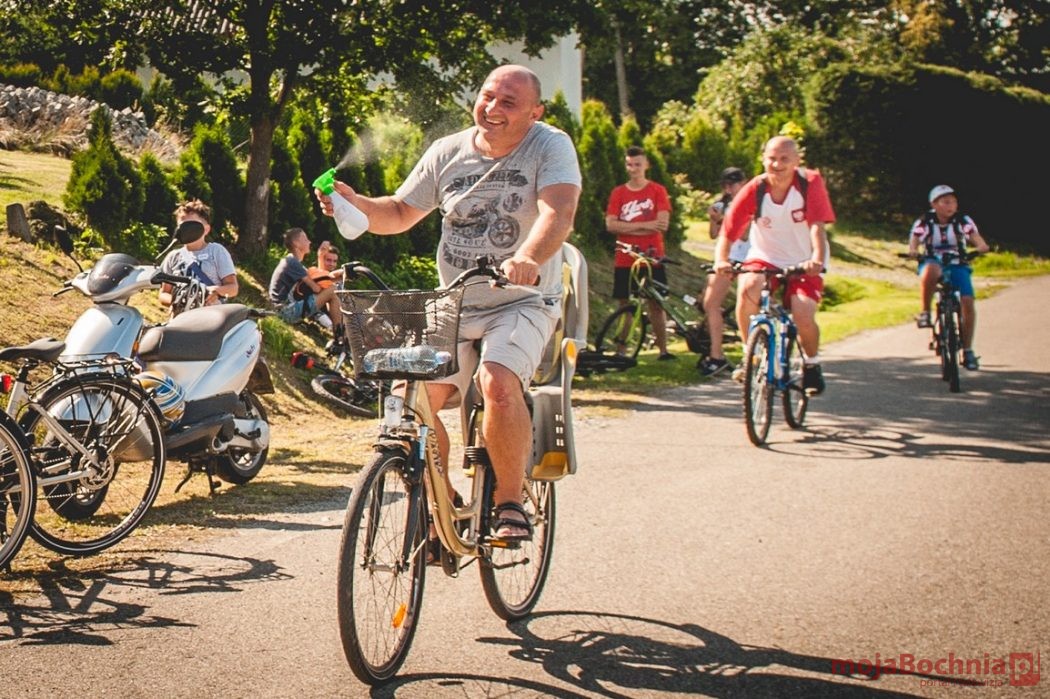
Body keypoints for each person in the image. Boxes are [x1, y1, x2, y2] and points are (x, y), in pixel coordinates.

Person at [316, 64, 580, 543]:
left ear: (535, 112)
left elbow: (558, 210)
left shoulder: (550, 145)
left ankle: (509, 502)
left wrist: (527, 257)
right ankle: (445, 504)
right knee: (407, 401)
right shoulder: (448, 151)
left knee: (497, 382)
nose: (492, 108)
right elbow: (400, 212)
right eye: (487, 96)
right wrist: (357, 204)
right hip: (455, 301)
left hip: (521, 300)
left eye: (509, 102)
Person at [715, 136, 835, 395]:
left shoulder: (809, 182)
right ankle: (750, 355)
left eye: (784, 159)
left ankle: (812, 365)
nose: (777, 165)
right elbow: (729, 229)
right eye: (772, 158)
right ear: (763, 159)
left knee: (803, 312)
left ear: (796, 160)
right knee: (748, 287)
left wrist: (816, 258)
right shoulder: (756, 187)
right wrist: (721, 260)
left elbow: (817, 225)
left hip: (804, 258)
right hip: (765, 255)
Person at [907, 184, 990, 370]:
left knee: (967, 302)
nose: (950, 206)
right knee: (931, 271)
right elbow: (916, 237)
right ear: (934, 204)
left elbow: (973, 234)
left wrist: (981, 246)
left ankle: (967, 351)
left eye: (953, 202)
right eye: (945, 202)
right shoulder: (925, 221)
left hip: (957, 262)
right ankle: (925, 313)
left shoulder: (962, 220)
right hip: (933, 260)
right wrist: (913, 250)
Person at [605, 145, 674, 360]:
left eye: (637, 164)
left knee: (656, 304)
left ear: (646, 165)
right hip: (625, 258)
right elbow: (611, 225)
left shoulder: (657, 190)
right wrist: (645, 225)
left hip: (652, 257)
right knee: (625, 304)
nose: (633, 169)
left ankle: (663, 350)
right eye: (629, 164)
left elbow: (662, 224)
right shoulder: (619, 192)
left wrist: (627, 227)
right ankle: (621, 349)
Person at [697, 166, 747, 377]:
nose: (729, 189)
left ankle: (721, 354)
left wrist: (722, 220)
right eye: (726, 185)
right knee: (708, 303)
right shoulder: (721, 204)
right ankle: (715, 352)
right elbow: (713, 234)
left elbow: (744, 234)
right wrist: (713, 219)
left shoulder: (749, 203)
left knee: (720, 304)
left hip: (744, 257)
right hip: (725, 258)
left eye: (733, 184)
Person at [158, 200, 238, 314]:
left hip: (211, 318)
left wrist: (217, 291)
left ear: (206, 229)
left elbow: (233, 288)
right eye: (182, 226)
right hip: (180, 319)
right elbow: (164, 293)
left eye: (192, 225)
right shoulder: (173, 257)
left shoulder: (216, 251)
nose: (187, 230)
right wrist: (176, 301)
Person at [268, 227, 344, 338]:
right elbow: (317, 288)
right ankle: (340, 337)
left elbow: (320, 279)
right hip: (285, 312)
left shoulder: (292, 261)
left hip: (283, 309)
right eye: (305, 239)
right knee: (333, 290)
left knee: (332, 290)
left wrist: (321, 257)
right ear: (296, 243)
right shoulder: (293, 263)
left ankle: (339, 333)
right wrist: (339, 276)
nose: (309, 242)